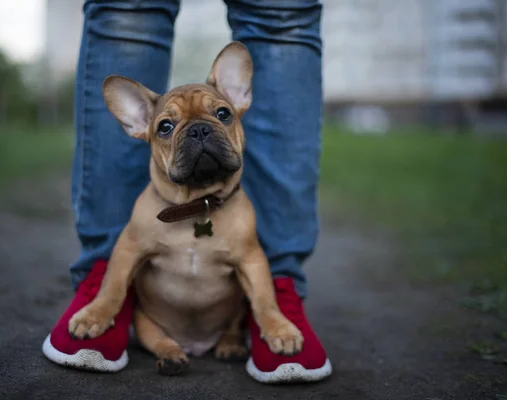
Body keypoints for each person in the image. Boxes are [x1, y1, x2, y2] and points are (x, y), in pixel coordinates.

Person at [42, 0, 331, 383]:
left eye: (220, 114)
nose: (198, 132)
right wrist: (107, 304)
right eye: (166, 127)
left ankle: (272, 311)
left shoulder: (241, 213)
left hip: (221, 303)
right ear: (138, 124)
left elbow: (248, 262)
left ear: (240, 98)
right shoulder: (147, 213)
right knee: (126, 7)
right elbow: (131, 249)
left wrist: (267, 315)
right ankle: (106, 302)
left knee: (280, 9)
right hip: (160, 318)